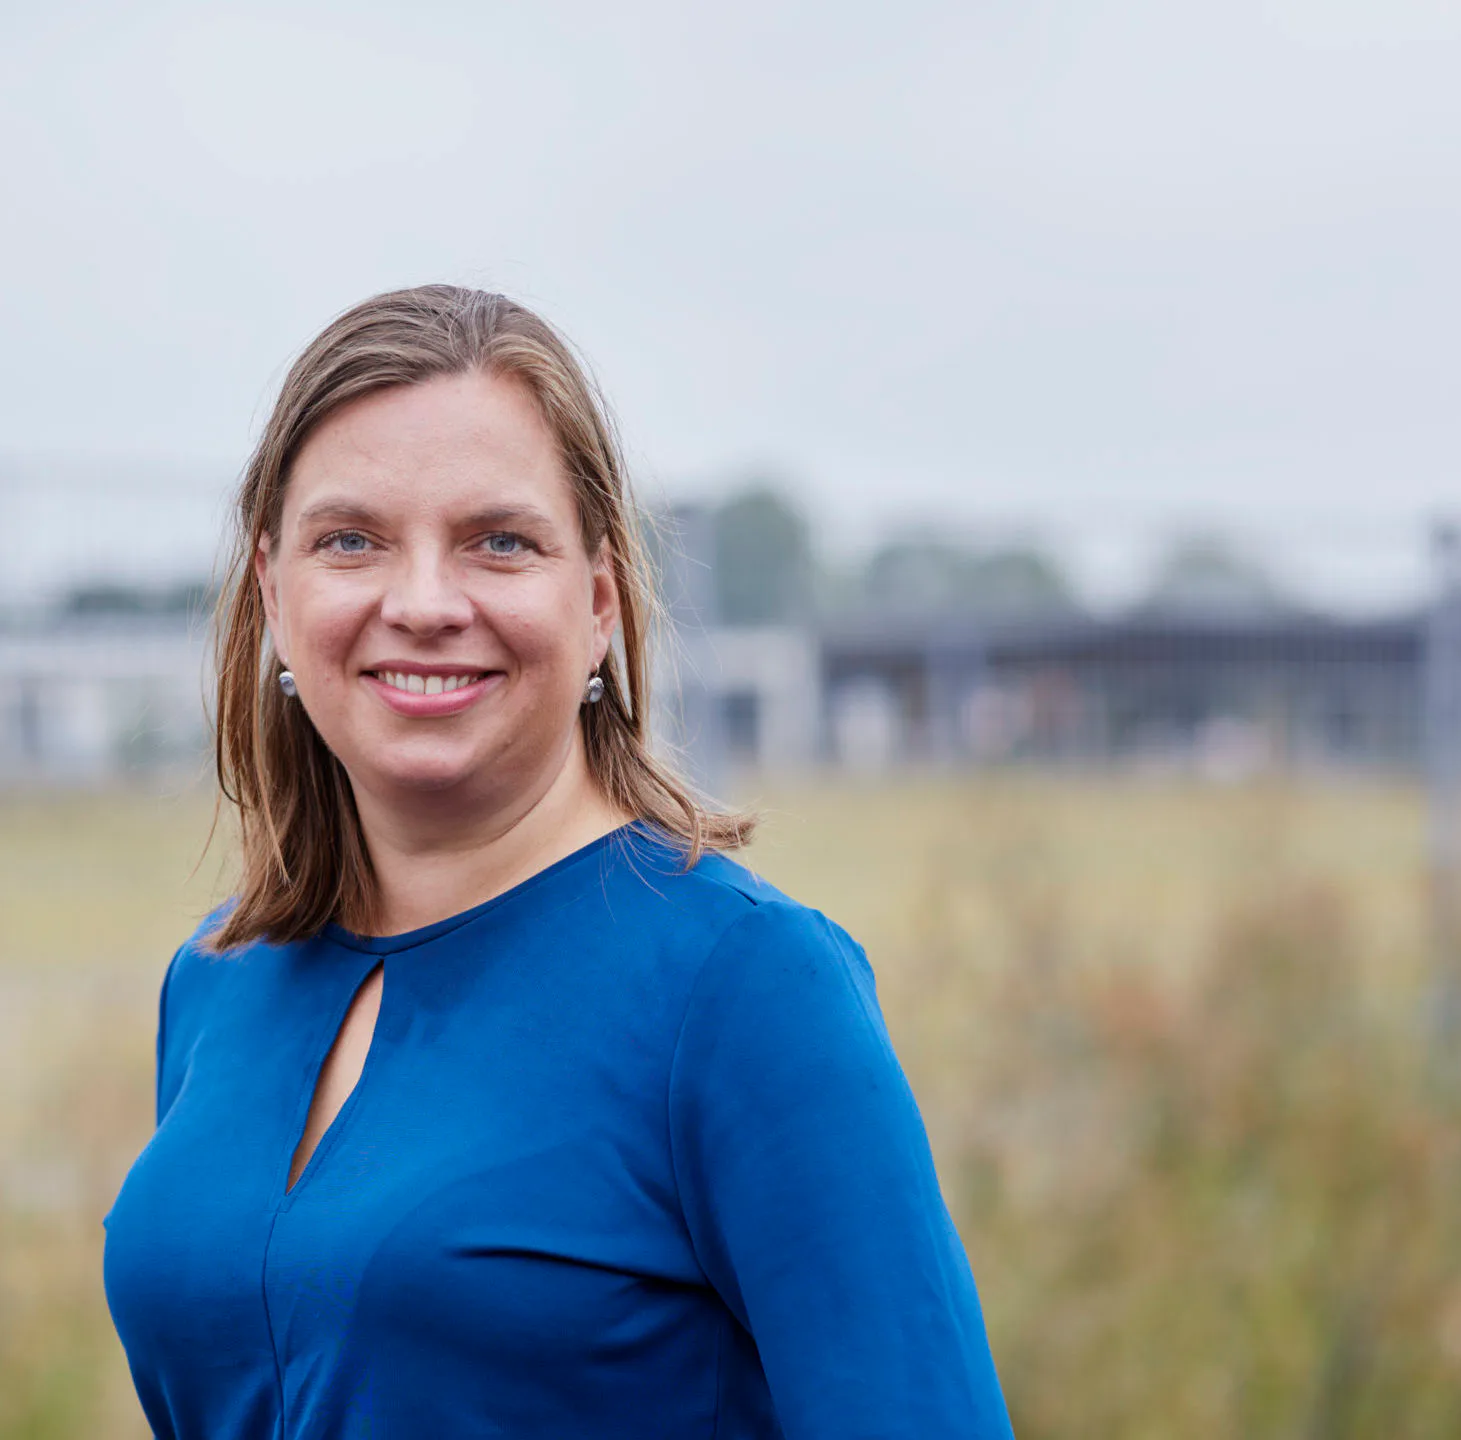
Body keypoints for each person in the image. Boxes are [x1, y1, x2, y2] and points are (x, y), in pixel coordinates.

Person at [101, 285, 1011, 1438]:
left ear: (597, 603)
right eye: (351, 541)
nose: (423, 602)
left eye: (499, 542)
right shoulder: (217, 981)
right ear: (275, 593)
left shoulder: (745, 987)